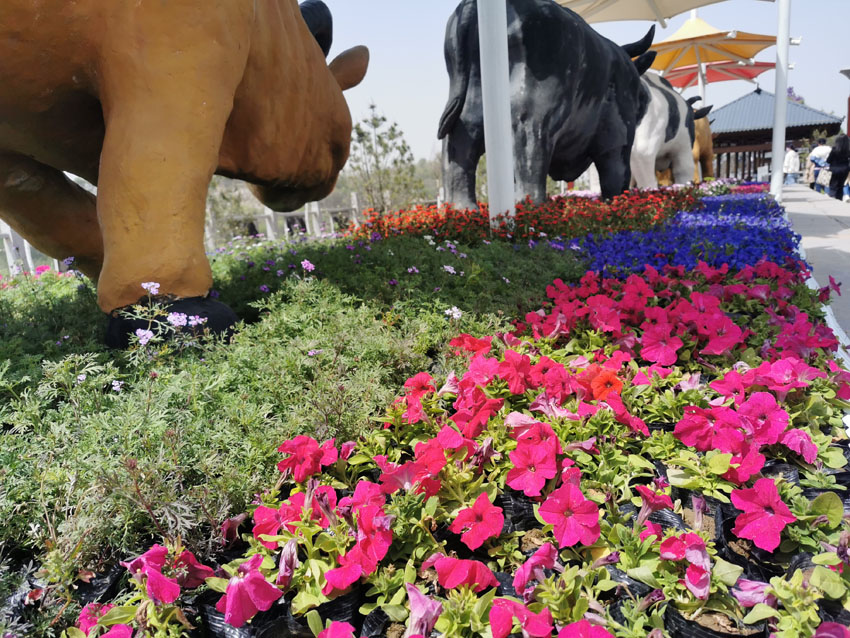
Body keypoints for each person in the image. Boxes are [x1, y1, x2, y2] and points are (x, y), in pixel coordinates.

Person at [826, 134, 850, 200]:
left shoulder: (834, 150)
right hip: (844, 170)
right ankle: (839, 199)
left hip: (834, 170)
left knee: (833, 186)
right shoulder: (848, 151)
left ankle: (832, 198)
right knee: (841, 186)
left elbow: (828, 160)